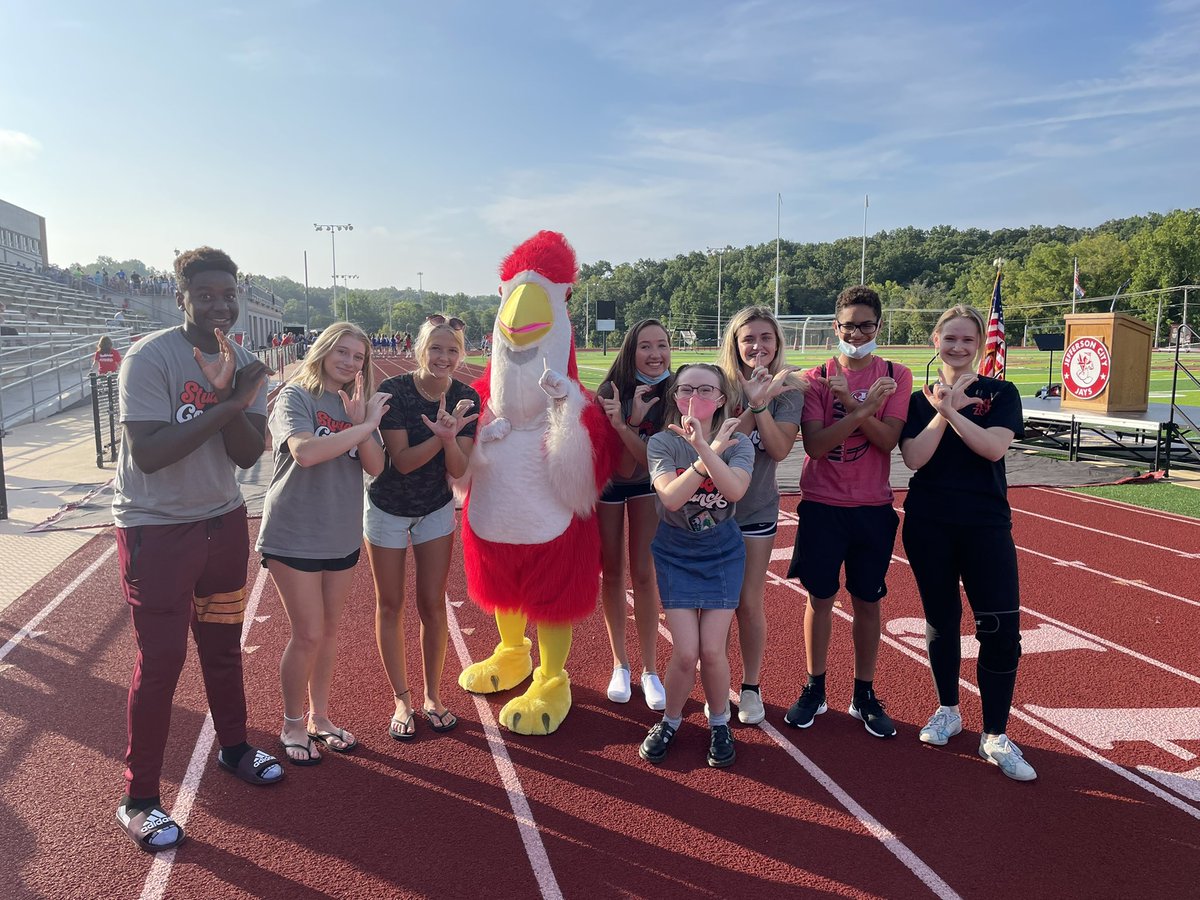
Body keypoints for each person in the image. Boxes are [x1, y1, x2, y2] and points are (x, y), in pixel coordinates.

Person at [112, 246, 282, 853]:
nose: (220, 305)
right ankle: (139, 798)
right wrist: (229, 402)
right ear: (181, 296)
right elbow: (152, 453)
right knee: (159, 664)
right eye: (205, 294)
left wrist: (237, 393)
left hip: (222, 524)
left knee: (222, 647)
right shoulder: (149, 357)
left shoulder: (249, 364)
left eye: (228, 294)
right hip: (157, 529)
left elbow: (243, 455)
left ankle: (233, 747)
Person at [899, 305, 1036, 781]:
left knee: (1000, 629)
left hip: (985, 525)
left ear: (980, 344)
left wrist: (952, 410)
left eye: (967, 340)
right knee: (941, 620)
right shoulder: (917, 399)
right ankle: (948, 709)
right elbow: (914, 458)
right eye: (949, 338)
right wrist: (940, 410)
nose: (957, 347)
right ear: (934, 340)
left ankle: (995, 734)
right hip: (929, 524)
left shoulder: (1001, 392)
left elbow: (993, 448)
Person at [256, 323, 389, 766]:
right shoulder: (297, 396)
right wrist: (366, 424)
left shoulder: (354, 404)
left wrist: (363, 426)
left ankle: (320, 717)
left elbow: (375, 466)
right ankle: (293, 723)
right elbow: (306, 453)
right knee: (308, 632)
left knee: (329, 632)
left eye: (358, 357)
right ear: (324, 350)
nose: (350, 363)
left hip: (340, 531)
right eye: (343, 352)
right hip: (294, 530)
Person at [784, 285, 912, 739]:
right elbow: (817, 447)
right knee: (819, 598)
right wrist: (861, 407)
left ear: (879, 326)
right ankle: (815, 687)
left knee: (868, 600)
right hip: (822, 504)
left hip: (872, 507)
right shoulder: (816, 377)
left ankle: (863, 693)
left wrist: (855, 406)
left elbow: (888, 441)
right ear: (834, 327)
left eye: (865, 325)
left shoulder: (896, 374)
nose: (856, 333)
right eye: (848, 325)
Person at [365, 314, 479, 739]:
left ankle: (433, 696)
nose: (444, 357)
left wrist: (451, 438)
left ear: (461, 354)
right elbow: (404, 462)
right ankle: (402, 698)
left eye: (452, 350)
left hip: (434, 508)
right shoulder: (393, 390)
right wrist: (441, 434)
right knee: (390, 604)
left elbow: (458, 469)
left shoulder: (467, 396)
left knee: (433, 604)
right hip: (388, 507)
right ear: (420, 349)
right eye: (436, 348)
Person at [639, 364, 753, 768]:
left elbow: (735, 488)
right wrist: (708, 452)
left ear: (721, 399)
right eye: (686, 388)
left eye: (706, 389)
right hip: (675, 554)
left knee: (712, 649)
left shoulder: (739, 443)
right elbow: (671, 498)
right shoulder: (661, 445)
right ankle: (670, 721)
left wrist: (709, 446)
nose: (695, 396)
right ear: (674, 397)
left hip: (722, 554)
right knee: (686, 653)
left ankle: (719, 723)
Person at [718, 307, 806, 725]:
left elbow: (779, 449)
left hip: (756, 511)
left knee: (748, 603)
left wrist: (765, 403)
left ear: (777, 343)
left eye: (765, 338)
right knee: (712, 607)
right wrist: (752, 402)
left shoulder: (789, 390)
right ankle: (718, 686)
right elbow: (724, 441)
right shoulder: (716, 385)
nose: (757, 346)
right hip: (711, 510)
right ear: (735, 345)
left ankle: (751, 686)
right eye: (748, 338)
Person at [595, 319, 671, 710]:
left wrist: (634, 425)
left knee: (643, 573)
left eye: (662, 345)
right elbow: (622, 468)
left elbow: (648, 465)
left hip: (649, 481)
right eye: (646, 346)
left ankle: (650, 669)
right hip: (611, 484)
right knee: (612, 572)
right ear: (631, 350)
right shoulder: (610, 391)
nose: (655, 354)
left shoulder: (677, 390)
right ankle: (619, 664)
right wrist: (633, 421)